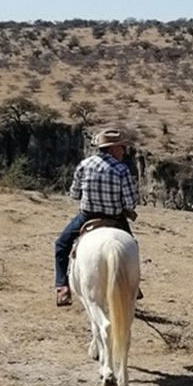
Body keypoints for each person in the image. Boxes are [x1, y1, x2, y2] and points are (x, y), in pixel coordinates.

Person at [53, 126, 139, 307]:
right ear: (113, 148)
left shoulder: (84, 165)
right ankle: (134, 286)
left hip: (87, 217)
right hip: (115, 219)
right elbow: (131, 203)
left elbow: (74, 194)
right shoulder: (122, 169)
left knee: (61, 245)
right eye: (121, 147)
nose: (123, 151)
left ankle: (62, 287)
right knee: (132, 246)